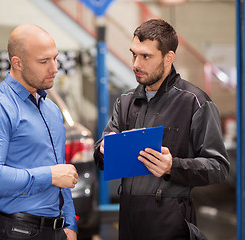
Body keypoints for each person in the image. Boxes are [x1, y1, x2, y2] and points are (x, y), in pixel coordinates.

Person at [94, 19, 229, 239]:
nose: (136, 63)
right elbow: (102, 155)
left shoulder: (194, 102)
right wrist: (103, 150)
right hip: (128, 221)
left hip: (170, 223)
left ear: (168, 57)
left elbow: (219, 167)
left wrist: (172, 166)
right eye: (134, 54)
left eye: (146, 56)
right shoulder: (125, 101)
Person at [0, 24, 78, 240]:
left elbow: (61, 174)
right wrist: (49, 175)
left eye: (55, 58)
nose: (54, 68)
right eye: (44, 61)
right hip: (12, 231)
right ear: (17, 63)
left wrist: (70, 224)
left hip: (55, 231)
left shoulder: (51, 110)